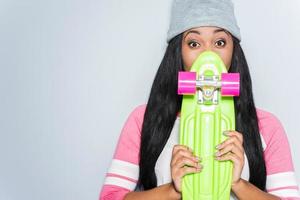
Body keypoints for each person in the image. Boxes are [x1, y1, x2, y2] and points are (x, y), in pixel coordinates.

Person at [99, 0, 300, 199]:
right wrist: (173, 191)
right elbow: (110, 197)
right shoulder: (144, 120)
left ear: (233, 51)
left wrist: (238, 184)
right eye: (194, 43)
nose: (208, 55)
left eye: (220, 42)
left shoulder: (266, 127)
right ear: (178, 51)